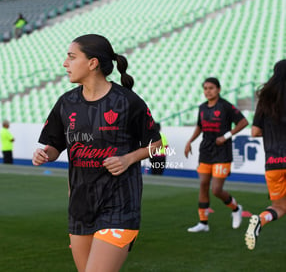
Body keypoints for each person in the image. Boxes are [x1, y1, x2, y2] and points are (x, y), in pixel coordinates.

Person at [32, 34, 161, 272]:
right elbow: (53, 146)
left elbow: (158, 146)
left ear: (93, 63)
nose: (65, 63)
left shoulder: (127, 102)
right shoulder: (66, 102)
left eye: (71, 57)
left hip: (120, 206)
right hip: (80, 207)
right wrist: (45, 154)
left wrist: (128, 158)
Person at [184, 77, 248, 232]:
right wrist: (190, 141)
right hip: (206, 150)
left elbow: (243, 122)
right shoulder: (202, 107)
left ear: (218, 89)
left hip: (222, 152)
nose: (208, 91)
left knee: (216, 190)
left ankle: (236, 208)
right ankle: (203, 223)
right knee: (203, 185)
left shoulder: (225, 106)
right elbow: (200, 127)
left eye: (211, 88)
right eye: (205, 88)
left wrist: (226, 136)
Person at [245, 59, 286, 250]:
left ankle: (261, 219)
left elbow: (254, 132)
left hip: (273, 162)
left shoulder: (265, 100)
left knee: (279, 207)